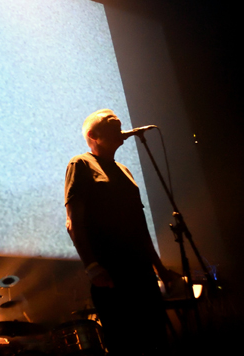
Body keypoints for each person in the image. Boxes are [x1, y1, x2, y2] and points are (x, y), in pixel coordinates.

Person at [65, 109, 174, 356]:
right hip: (112, 274)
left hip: (142, 274)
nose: (120, 128)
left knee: (157, 340)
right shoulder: (80, 163)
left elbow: (140, 225)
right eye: (112, 124)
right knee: (126, 344)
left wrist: (160, 268)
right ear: (93, 134)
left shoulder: (125, 171)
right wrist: (92, 266)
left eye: (120, 124)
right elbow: (74, 221)